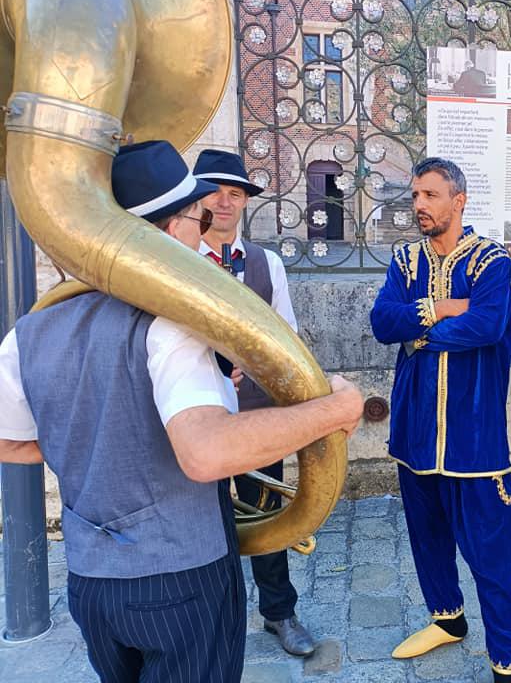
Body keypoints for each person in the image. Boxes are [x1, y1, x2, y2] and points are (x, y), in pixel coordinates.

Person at [0, 141, 364, 683]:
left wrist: (104, 458)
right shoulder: (169, 324)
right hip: (180, 580)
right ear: (171, 234)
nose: (205, 227)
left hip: (91, 583)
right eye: (198, 217)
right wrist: (337, 409)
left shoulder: (26, 333)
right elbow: (206, 452)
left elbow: (9, 444)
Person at [370, 157, 511, 682]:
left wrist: (417, 335)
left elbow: (486, 325)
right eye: (415, 195)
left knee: (492, 556)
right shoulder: (405, 260)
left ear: (458, 201)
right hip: (414, 433)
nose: (419, 206)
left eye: (430, 196)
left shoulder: (491, 261)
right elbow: (381, 322)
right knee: (427, 537)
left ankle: (507, 663)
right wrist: (441, 307)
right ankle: (447, 620)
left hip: (473, 437)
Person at [192, 149, 315, 657]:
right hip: (195, 413)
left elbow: (286, 338)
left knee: (266, 515)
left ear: (244, 203)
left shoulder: (269, 264)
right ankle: (206, 616)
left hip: (257, 412)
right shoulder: (169, 257)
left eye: (234, 192)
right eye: (214, 190)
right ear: (196, 198)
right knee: (198, 520)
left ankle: (279, 614)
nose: (223, 201)